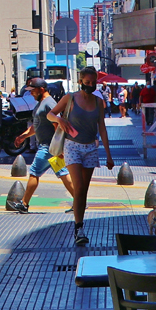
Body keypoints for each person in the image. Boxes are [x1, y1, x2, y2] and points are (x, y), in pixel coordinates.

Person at [47, 67, 114, 245]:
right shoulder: (70, 98)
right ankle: (78, 228)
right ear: (81, 81)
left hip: (91, 147)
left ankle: (80, 225)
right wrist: (59, 119)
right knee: (78, 187)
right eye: (87, 82)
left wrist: (108, 155)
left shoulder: (98, 102)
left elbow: (102, 128)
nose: (90, 86)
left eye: (93, 83)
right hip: (72, 147)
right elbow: (50, 114)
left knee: (83, 190)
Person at [7, 78, 75, 214]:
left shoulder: (49, 104)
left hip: (48, 147)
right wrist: (23, 137)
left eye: (33, 91)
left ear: (41, 89)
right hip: (50, 147)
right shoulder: (41, 104)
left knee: (34, 172)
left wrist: (59, 148)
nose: (31, 94)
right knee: (63, 175)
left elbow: (58, 126)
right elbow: (36, 126)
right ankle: (80, 201)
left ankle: (24, 204)